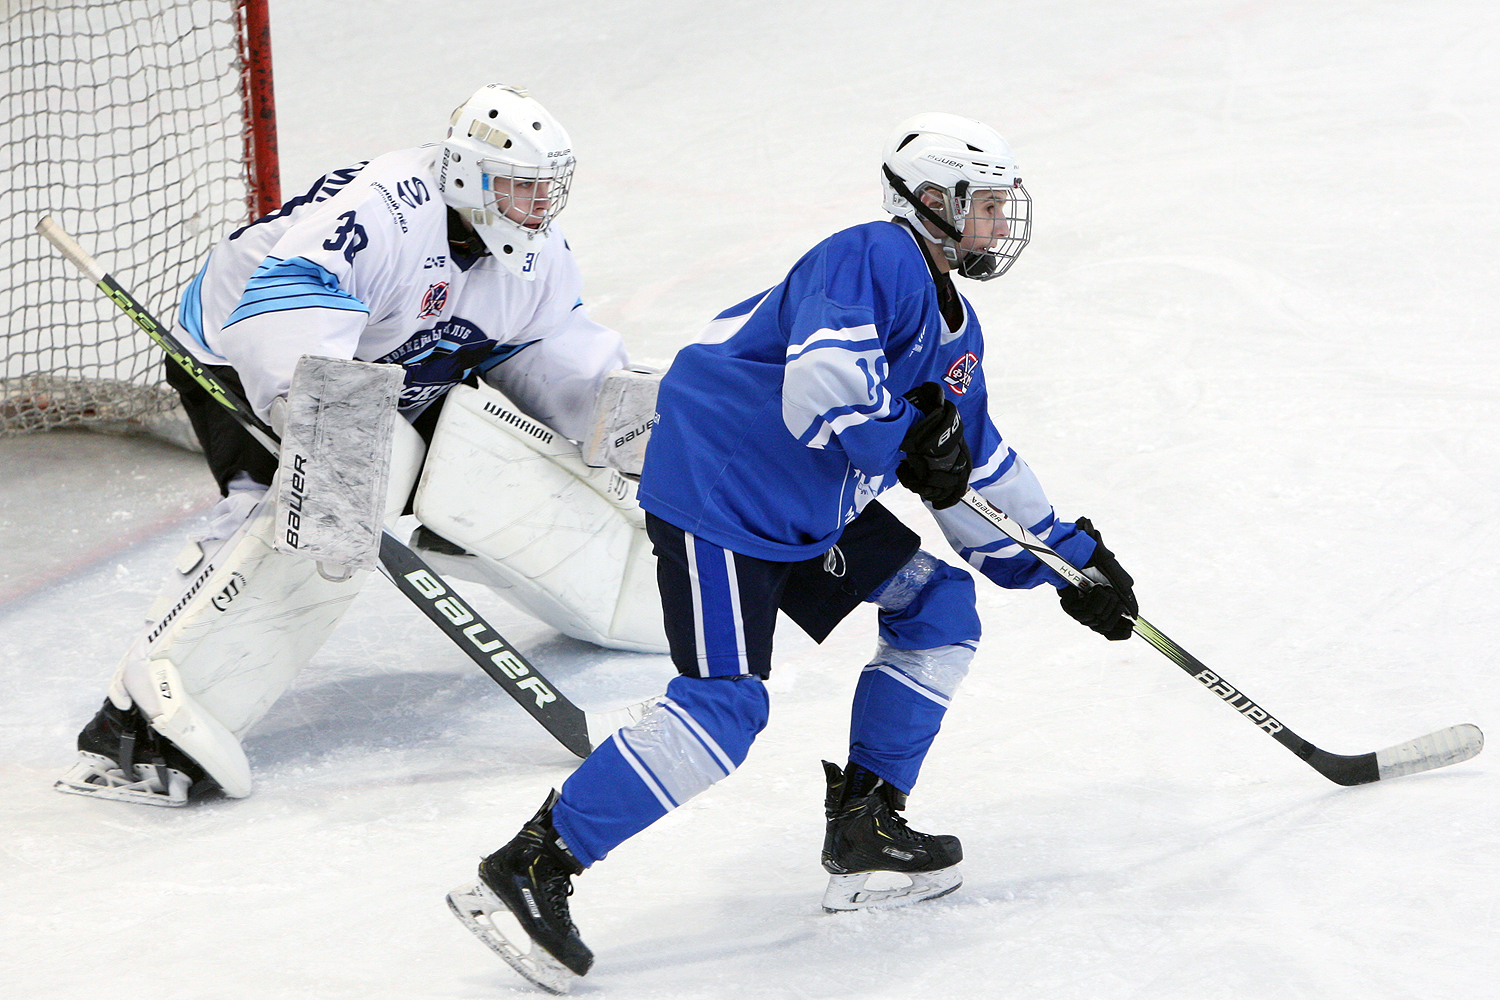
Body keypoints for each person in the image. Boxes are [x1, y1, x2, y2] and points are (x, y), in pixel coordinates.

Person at [445, 112, 1140, 992]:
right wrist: (907, 443)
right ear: (932, 200)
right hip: (721, 490)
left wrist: (1070, 563)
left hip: (807, 504)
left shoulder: (955, 332)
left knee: (938, 607)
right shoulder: (873, 255)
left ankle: (865, 830)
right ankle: (533, 865)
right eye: (987, 205)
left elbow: (975, 466)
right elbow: (821, 391)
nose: (1001, 225)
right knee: (725, 707)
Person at [56, 84, 639, 808]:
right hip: (245, 350)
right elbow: (290, 292)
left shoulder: (531, 254)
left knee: (471, 453)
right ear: (467, 177)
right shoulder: (387, 208)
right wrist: (320, 424)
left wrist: (609, 410)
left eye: (545, 191)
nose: (537, 209)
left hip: (389, 364)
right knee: (297, 512)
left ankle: (519, 549)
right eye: (520, 189)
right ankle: (140, 724)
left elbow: (543, 343)